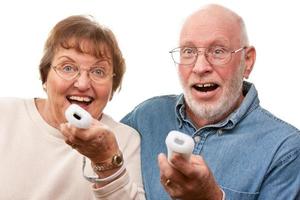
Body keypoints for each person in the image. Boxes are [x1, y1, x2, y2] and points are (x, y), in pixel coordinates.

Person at [121, 4, 300, 200]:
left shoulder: (286, 149)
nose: (200, 67)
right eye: (188, 51)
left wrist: (210, 197)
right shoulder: (146, 117)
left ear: (247, 61)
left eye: (218, 51)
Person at [0, 15, 145, 199]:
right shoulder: (4, 116)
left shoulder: (125, 140)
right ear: (45, 76)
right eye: (68, 68)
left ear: (112, 86)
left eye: (98, 71)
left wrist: (106, 161)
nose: (83, 84)